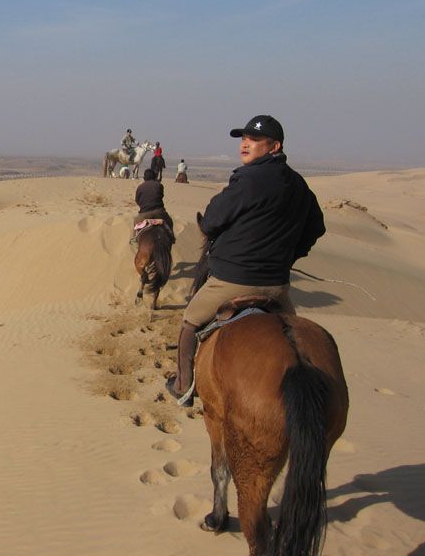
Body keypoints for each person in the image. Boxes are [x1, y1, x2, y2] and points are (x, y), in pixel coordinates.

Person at [166, 115, 326, 403]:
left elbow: (212, 220)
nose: (245, 144)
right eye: (244, 138)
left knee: (189, 322)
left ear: (274, 146)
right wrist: (289, 256)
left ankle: (183, 385)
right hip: (277, 288)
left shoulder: (248, 179)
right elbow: (316, 227)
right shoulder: (299, 185)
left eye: (254, 140)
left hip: (233, 281)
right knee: (295, 342)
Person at [131, 168, 172, 242]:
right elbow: (161, 196)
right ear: (154, 177)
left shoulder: (140, 187)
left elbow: (137, 200)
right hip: (159, 212)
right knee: (169, 221)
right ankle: (171, 237)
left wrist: (144, 205)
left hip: (144, 214)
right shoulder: (159, 185)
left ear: (144, 178)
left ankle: (134, 240)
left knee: (135, 221)